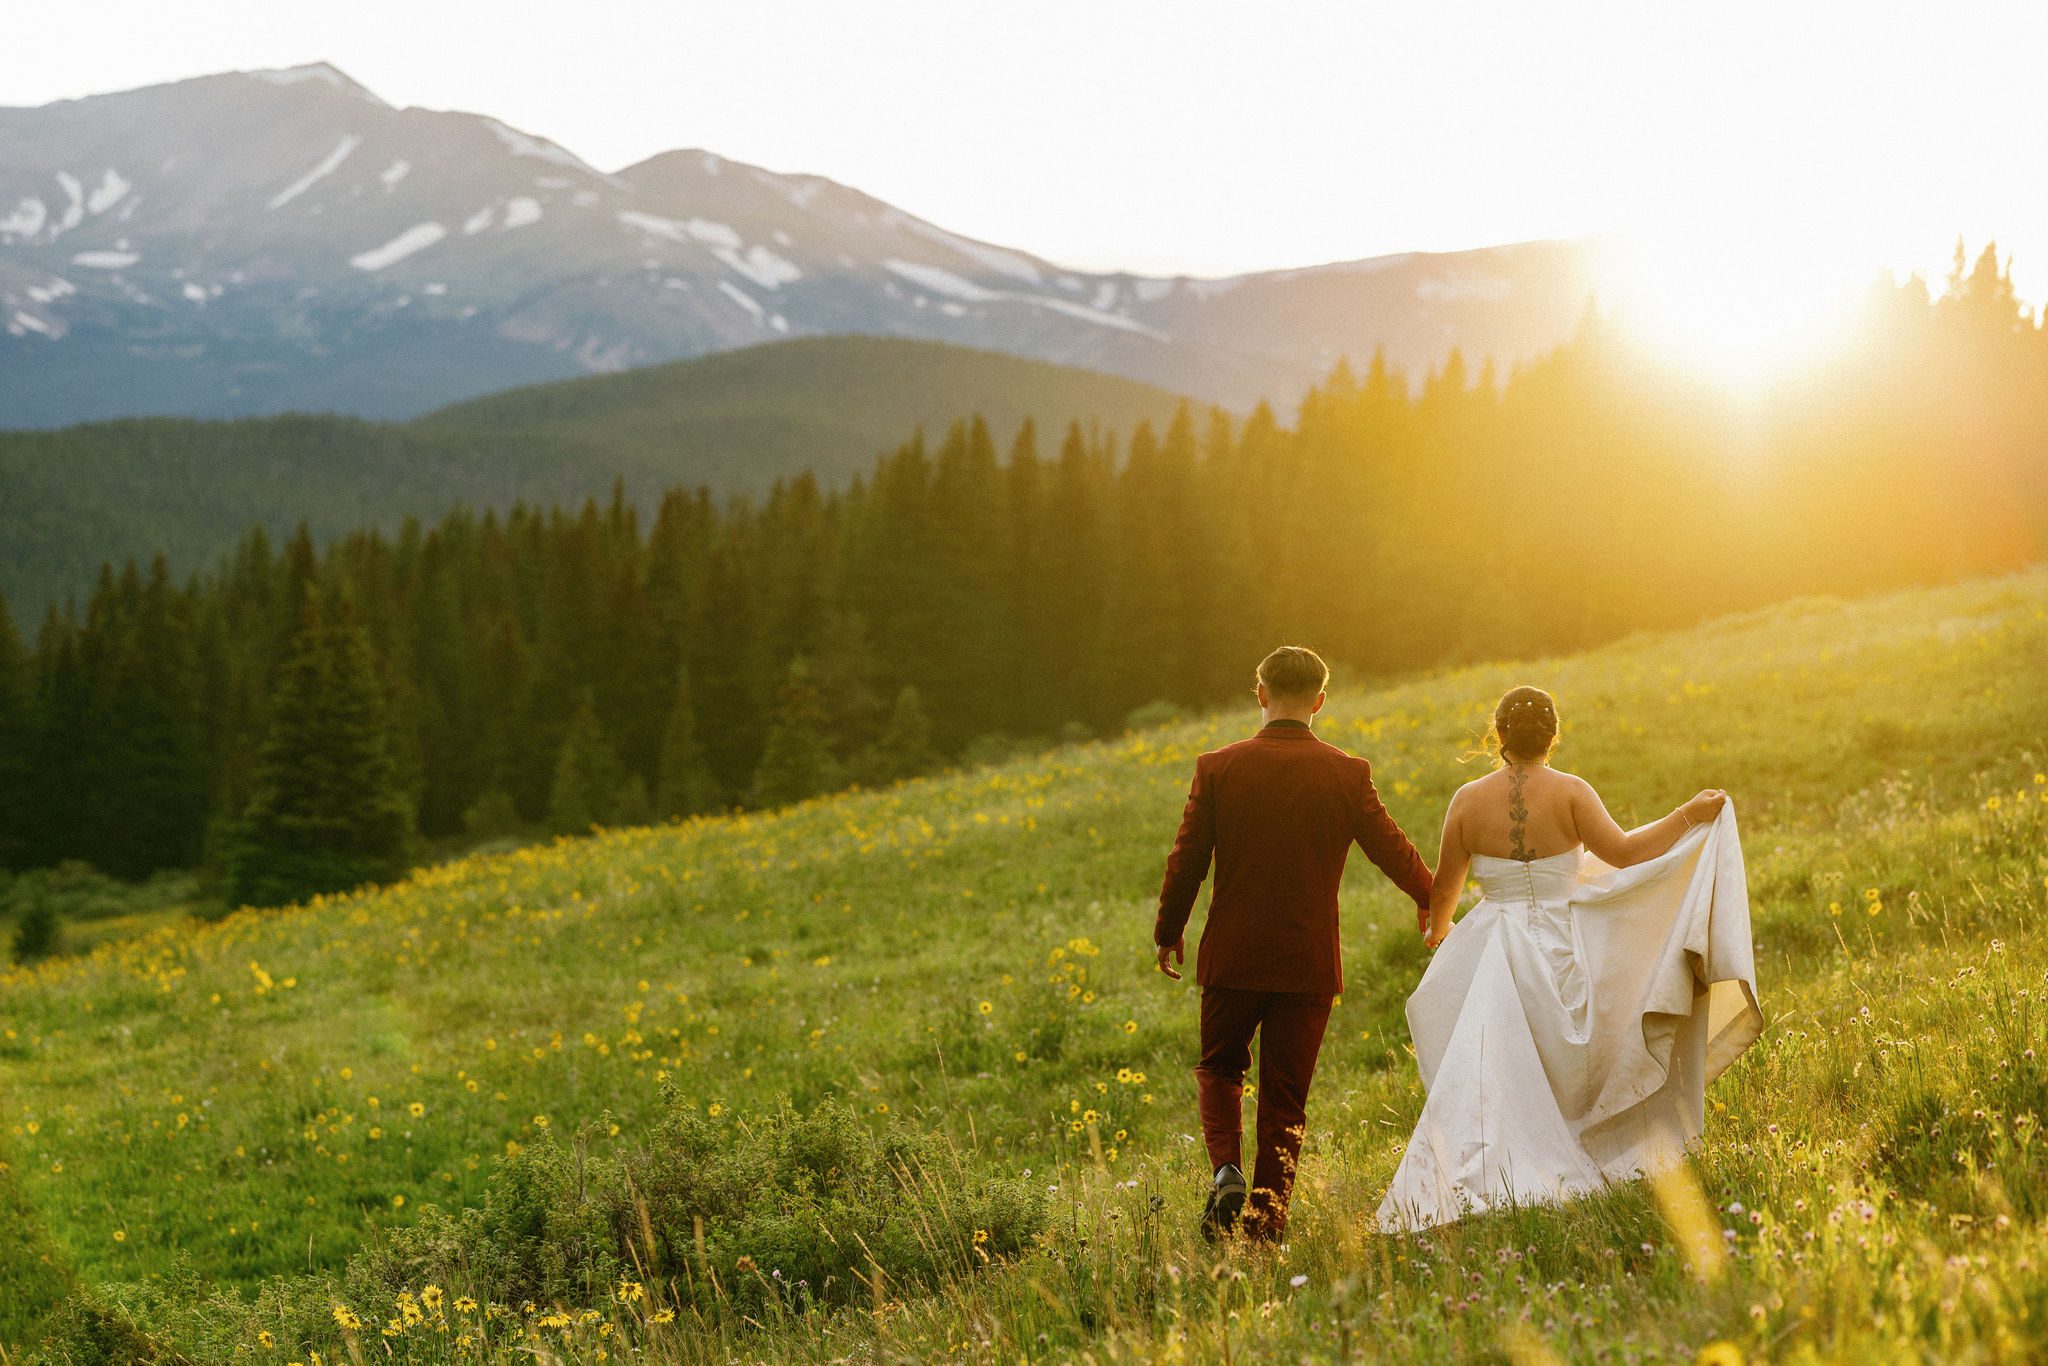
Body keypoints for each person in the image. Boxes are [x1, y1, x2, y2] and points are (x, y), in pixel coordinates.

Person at [1378, 686, 1761, 1230]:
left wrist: (1439, 934)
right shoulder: (1572, 792)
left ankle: (1500, 1166)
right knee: (1577, 1052)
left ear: (1499, 735)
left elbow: (1446, 888)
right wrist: (1687, 815)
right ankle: (1589, 1143)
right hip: (1567, 940)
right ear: (1553, 735)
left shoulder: (1467, 800)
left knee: (1503, 1062)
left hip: (1497, 948)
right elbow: (1626, 854)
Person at [1153, 646, 1433, 1242]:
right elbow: (1390, 846)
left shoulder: (1218, 767)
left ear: (1260, 693)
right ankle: (1264, 1228)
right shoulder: (1346, 772)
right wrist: (1431, 896)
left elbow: (1187, 859)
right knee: (1286, 1098)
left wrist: (1169, 930)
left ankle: (1225, 1167)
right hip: (1307, 962)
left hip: (1232, 955)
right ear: (1321, 702)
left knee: (1221, 1066)